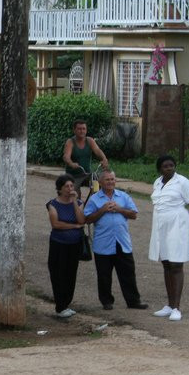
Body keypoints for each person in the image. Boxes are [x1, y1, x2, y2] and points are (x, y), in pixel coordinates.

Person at [83, 170, 148, 311]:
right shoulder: (94, 199)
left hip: (122, 242)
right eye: (107, 180)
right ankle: (106, 301)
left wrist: (119, 209)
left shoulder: (123, 196)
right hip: (103, 243)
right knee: (104, 275)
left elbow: (133, 214)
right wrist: (102, 210)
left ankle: (133, 301)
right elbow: (86, 220)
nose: (110, 182)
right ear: (100, 182)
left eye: (112, 179)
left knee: (128, 273)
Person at [148, 155, 189, 322]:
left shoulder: (182, 182)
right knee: (166, 264)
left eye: (171, 165)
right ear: (160, 169)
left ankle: (177, 307)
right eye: (165, 166)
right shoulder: (157, 182)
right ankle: (169, 305)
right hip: (160, 226)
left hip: (178, 226)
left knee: (176, 264)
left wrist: (187, 226)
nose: (169, 168)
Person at [46, 173, 85, 319]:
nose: (70, 189)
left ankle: (66, 304)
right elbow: (56, 224)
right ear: (60, 189)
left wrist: (74, 202)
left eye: (71, 186)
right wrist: (74, 225)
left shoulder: (78, 203)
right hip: (58, 244)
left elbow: (82, 220)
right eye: (66, 186)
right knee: (58, 274)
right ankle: (60, 305)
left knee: (71, 273)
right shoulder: (53, 204)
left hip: (74, 244)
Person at [62, 119, 109, 200]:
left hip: (86, 174)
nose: (82, 131)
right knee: (75, 195)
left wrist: (104, 159)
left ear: (86, 130)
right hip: (73, 175)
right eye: (79, 129)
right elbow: (66, 157)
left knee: (98, 185)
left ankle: (96, 203)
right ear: (74, 130)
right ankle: (77, 209)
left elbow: (98, 151)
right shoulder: (70, 142)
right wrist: (71, 164)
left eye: (84, 129)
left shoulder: (90, 140)